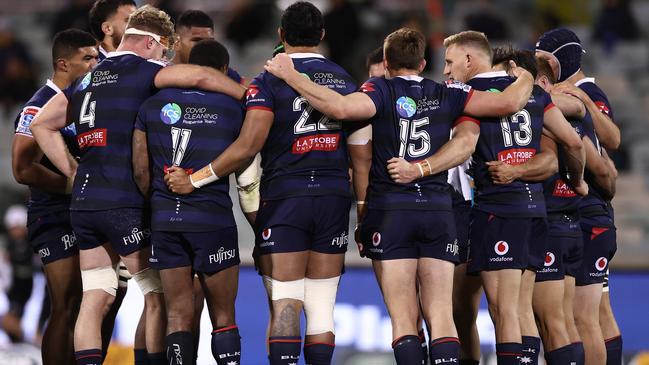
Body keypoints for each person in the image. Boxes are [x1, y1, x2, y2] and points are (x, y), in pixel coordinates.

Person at [261, 26, 536, 364]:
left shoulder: (379, 89)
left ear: (387, 63)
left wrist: (292, 75)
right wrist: (526, 76)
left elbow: (341, 108)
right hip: (438, 210)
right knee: (441, 313)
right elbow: (508, 103)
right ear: (423, 63)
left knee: (404, 318)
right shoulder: (448, 93)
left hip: (392, 211)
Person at [30, 5, 245, 365]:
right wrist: (247, 96)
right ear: (152, 43)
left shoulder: (88, 78)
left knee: (96, 297)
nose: (165, 56)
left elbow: (42, 125)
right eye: (164, 49)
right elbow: (201, 78)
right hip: (125, 202)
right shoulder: (148, 71)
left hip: (85, 203)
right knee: (157, 295)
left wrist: (73, 171)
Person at [165, 3, 358, 364]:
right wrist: (362, 203)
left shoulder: (268, 81)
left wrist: (197, 178)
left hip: (288, 197)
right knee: (321, 308)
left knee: (285, 302)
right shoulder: (345, 80)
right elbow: (361, 148)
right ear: (322, 36)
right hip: (333, 197)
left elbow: (248, 145)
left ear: (281, 36)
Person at [442, 31, 585, 365]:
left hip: (498, 210)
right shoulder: (533, 93)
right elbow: (574, 143)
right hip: (535, 210)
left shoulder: (465, 93)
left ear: (469, 59)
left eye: (449, 62)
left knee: (503, 311)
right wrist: (577, 181)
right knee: (521, 309)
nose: (446, 71)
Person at [133, 39, 258, 365]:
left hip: (166, 220)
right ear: (222, 71)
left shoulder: (150, 105)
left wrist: (156, 200)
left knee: (177, 314)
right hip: (212, 219)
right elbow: (246, 163)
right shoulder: (237, 110)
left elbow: (141, 169)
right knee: (224, 316)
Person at [11, 29, 97, 364]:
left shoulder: (82, 101)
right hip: (53, 215)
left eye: (96, 57)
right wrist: (68, 186)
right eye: (86, 59)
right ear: (63, 64)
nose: (94, 64)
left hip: (84, 212)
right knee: (66, 302)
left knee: (90, 302)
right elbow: (22, 169)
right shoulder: (38, 107)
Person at [536, 28, 622, 365]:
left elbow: (610, 142)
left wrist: (584, 103)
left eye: (544, 58)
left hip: (584, 210)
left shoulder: (582, 92)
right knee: (596, 312)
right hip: (588, 210)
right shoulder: (571, 93)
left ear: (563, 58)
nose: (538, 65)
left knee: (582, 317)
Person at [173, 10, 246, 85]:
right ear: (177, 42)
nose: (205, 47)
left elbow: (252, 90)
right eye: (197, 40)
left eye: (209, 41)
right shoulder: (161, 71)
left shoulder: (218, 69)